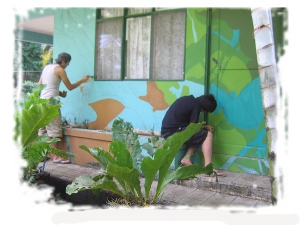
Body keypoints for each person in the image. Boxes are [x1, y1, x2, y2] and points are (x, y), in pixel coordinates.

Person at [38, 52, 89, 164]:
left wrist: (59, 93)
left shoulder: (47, 68)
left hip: (42, 101)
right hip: (51, 103)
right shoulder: (60, 69)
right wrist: (82, 81)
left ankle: (40, 155)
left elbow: (41, 85)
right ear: (64, 62)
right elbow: (70, 87)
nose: (67, 65)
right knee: (54, 130)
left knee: (42, 130)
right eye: (67, 63)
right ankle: (56, 157)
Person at [161, 94, 225, 176]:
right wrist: (206, 127)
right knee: (207, 135)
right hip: (173, 133)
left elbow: (191, 128)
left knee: (199, 136)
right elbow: (193, 128)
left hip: (168, 131)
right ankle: (208, 168)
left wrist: (204, 127)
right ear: (204, 110)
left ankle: (186, 159)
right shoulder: (196, 105)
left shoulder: (188, 99)